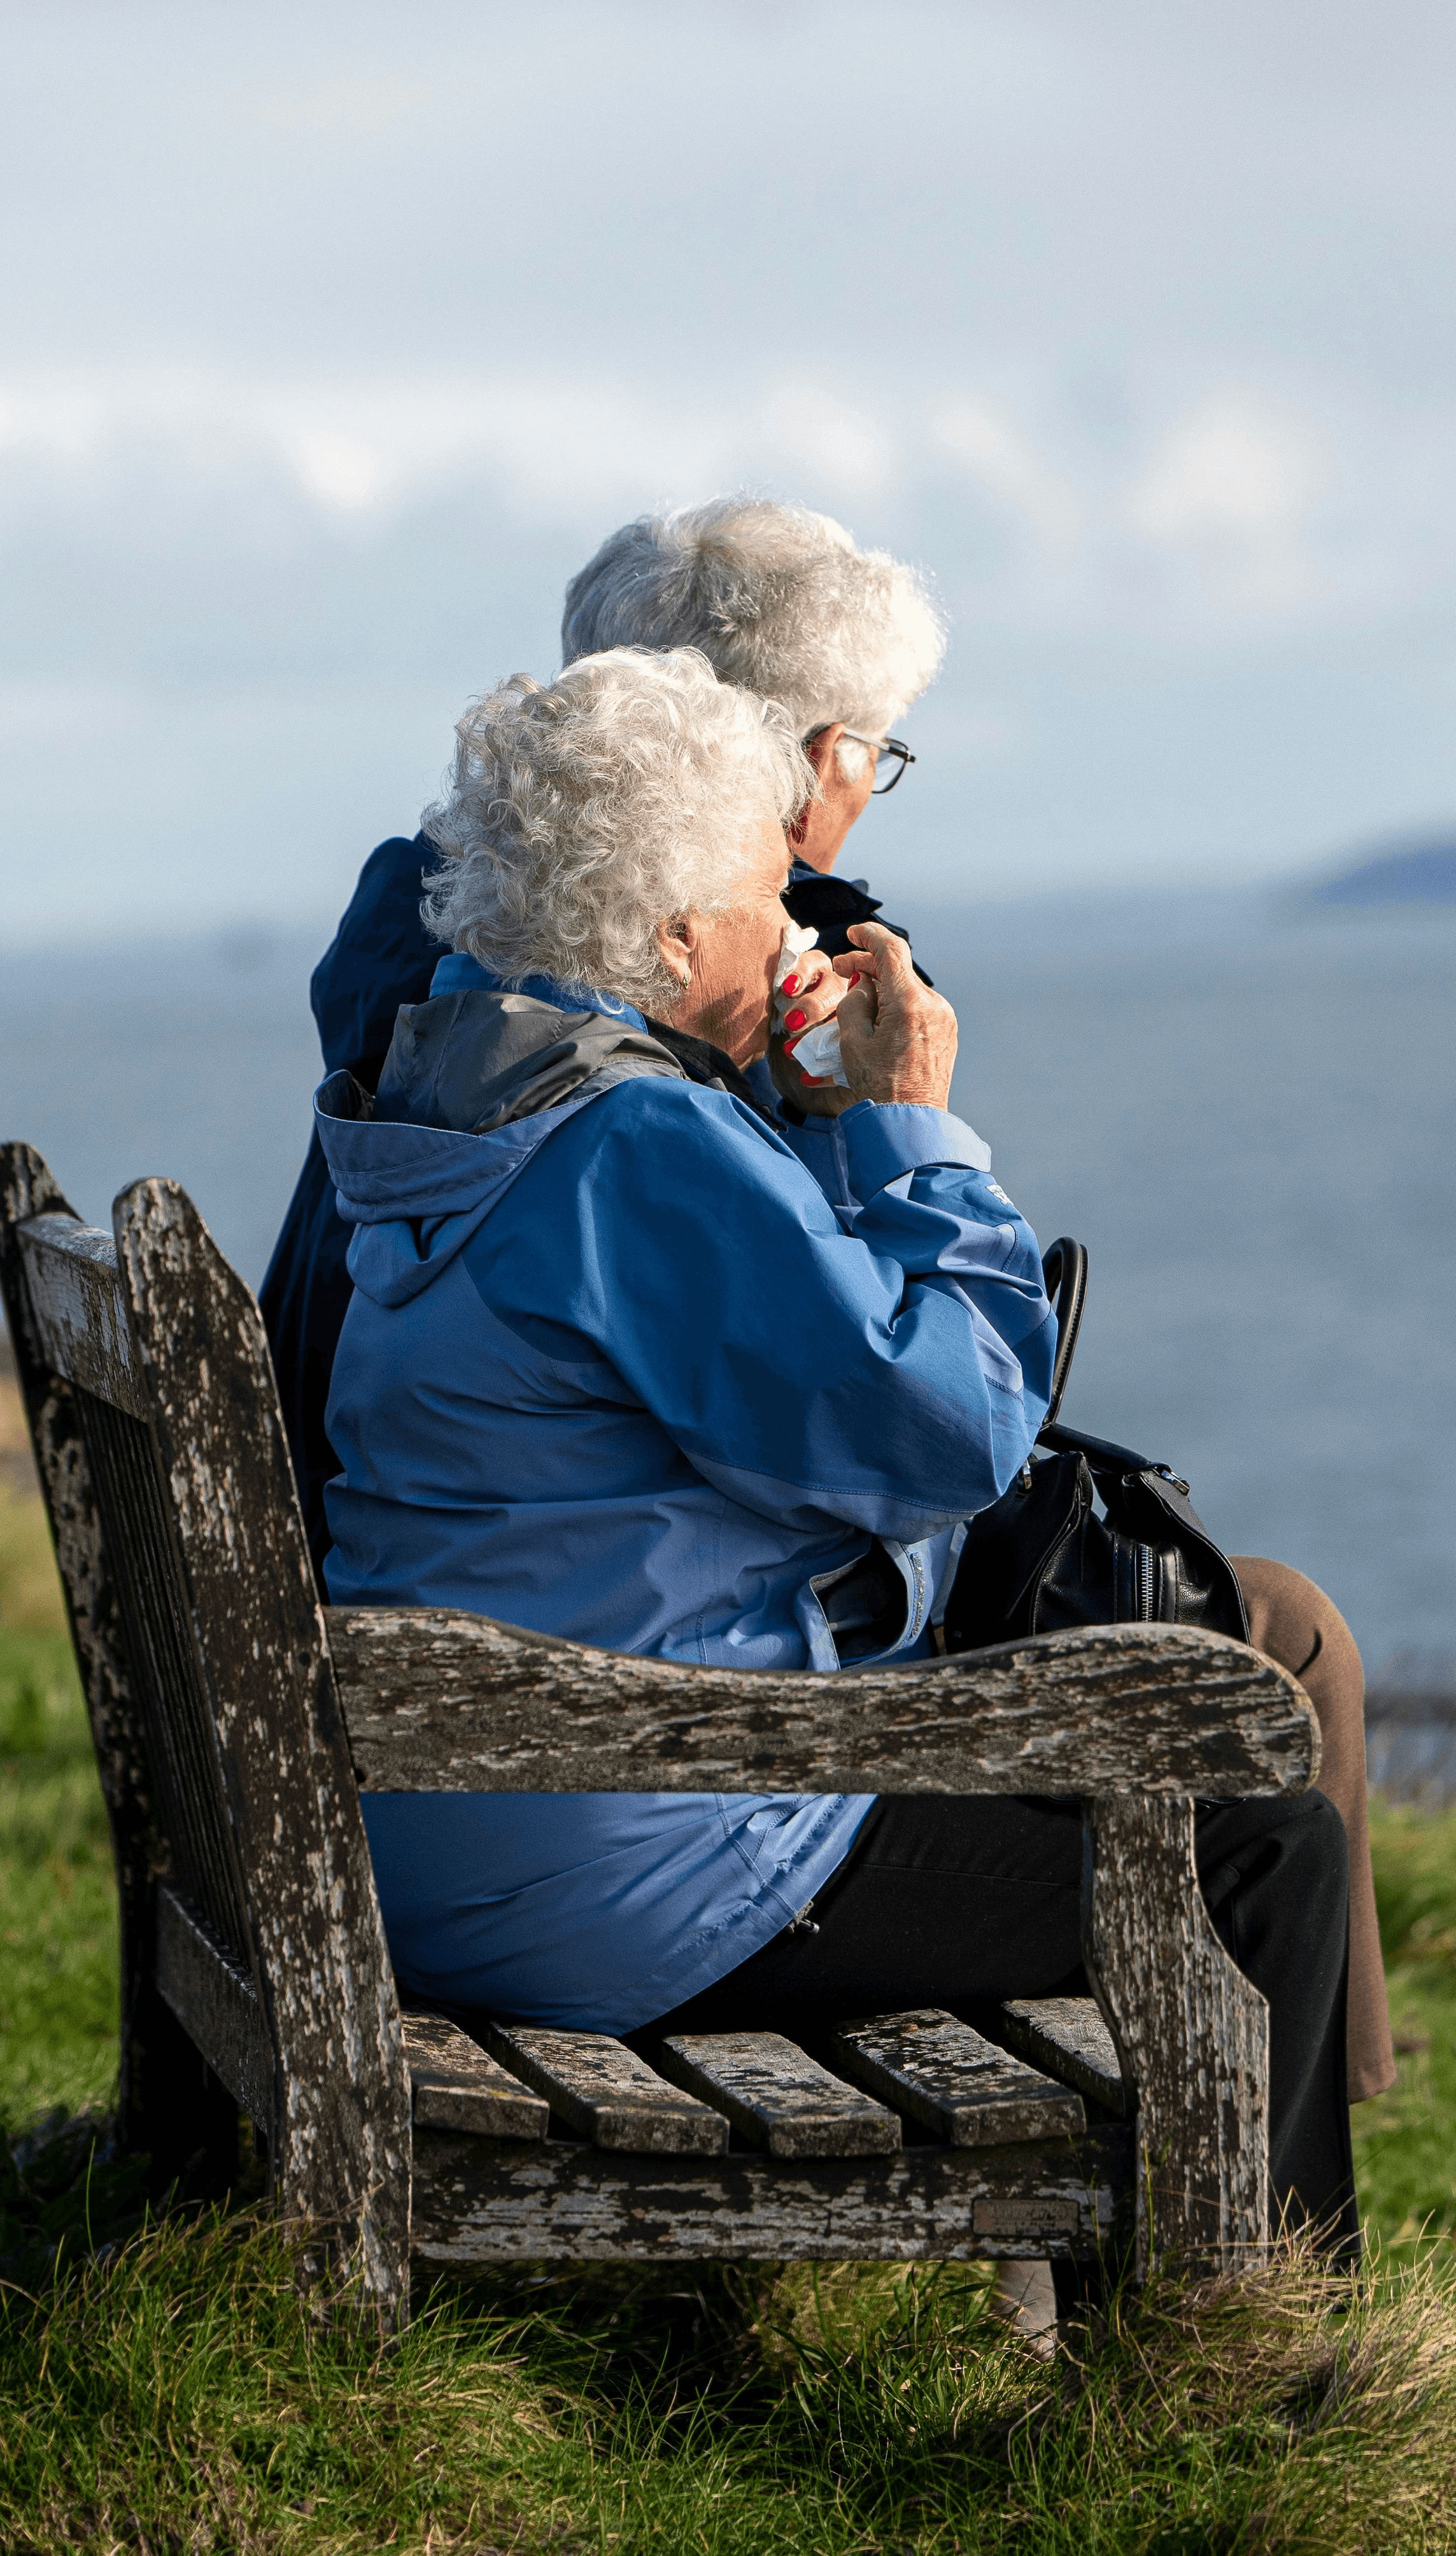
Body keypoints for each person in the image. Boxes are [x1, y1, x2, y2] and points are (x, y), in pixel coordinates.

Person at [262, 490, 1393, 2113]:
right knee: (1248, 1832)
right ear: (672, 912)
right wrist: (904, 1124)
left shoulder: (450, 1049)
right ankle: (1254, 2318)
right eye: (757, 874)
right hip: (628, 1829)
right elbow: (933, 1445)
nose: (796, 891)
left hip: (460, 1741)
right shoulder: (629, 1134)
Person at [261, 496, 942, 1553]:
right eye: (874, 747)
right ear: (807, 759)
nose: (865, 782)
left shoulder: (429, 930)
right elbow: (900, 1420)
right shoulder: (733, 996)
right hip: (572, 1593)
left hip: (341, 1506)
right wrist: (892, 1131)